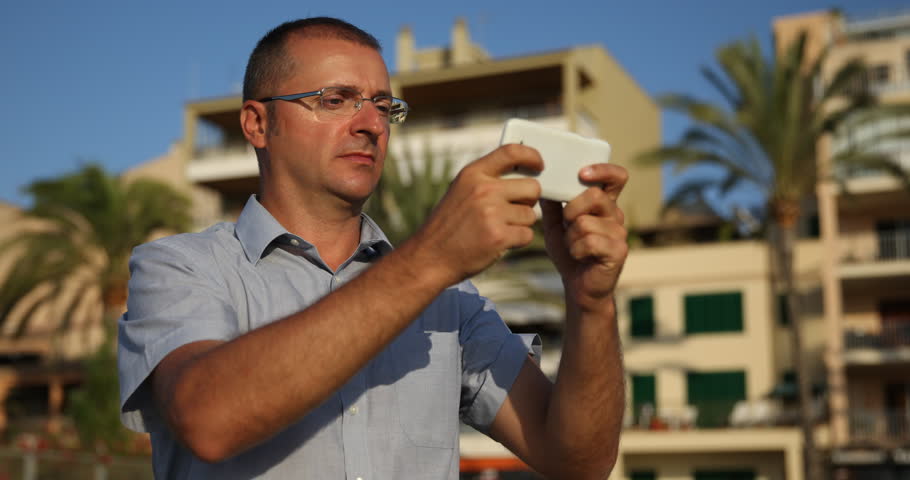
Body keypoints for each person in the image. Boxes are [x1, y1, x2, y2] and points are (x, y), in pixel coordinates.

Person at [118, 17, 628, 480]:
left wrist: (590, 302)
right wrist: (431, 258)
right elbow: (208, 418)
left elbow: (578, 463)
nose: (372, 125)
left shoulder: (451, 301)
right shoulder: (180, 266)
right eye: (335, 100)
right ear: (257, 123)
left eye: (384, 106)